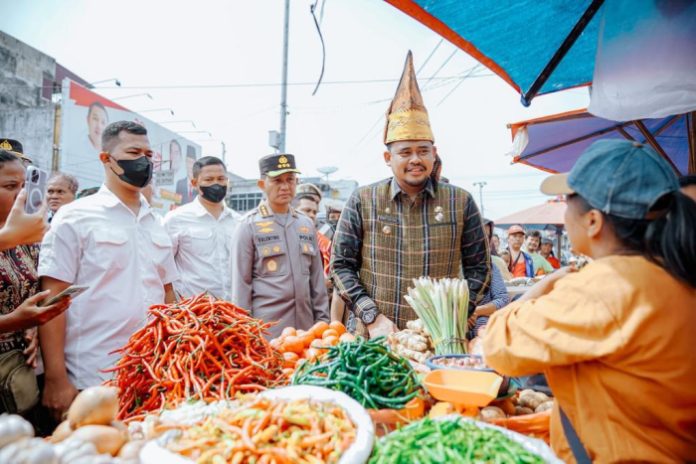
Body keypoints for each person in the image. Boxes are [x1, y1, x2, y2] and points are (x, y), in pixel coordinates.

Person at [483, 140, 696, 462]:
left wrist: (550, 283)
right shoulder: (673, 272)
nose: (564, 210)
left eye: (568, 201)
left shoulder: (608, 285)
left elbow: (500, 345)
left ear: (593, 221)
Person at [331, 52, 490, 338]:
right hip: (374, 337)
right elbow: (341, 266)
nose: (415, 159)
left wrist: (456, 314)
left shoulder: (460, 201)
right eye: (405, 152)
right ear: (387, 157)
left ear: (434, 153)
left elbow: (480, 268)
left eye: (423, 150)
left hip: (442, 338)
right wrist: (371, 316)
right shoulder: (363, 200)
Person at [38, 121, 178, 421]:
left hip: (152, 373)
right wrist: (55, 377)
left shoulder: (155, 222)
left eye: (148, 154)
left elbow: (168, 294)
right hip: (91, 376)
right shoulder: (75, 217)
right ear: (106, 159)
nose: (144, 161)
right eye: (133, 152)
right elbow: (52, 299)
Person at [0, 150, 71, 423]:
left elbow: (33, 292)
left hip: (24, 374)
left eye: (24, 186)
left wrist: (33, 327)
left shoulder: (32, 237)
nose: (22, 196)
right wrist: (11, 322)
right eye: (10, 187)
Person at [231, 154, 329, 338]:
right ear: (262, 184)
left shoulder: (306, 224)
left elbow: (317, 281)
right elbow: (240, 287)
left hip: (306, 330)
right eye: (277, 180)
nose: (285, 186)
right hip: (267, 331)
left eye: (290, 180)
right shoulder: (248, 226)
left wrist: (323, 324)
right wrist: (244, 335)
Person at [164, 156, 240, 301]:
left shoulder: (238, 222)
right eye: (209, 180)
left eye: (221, 179)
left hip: (234, 311)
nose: (216, 184)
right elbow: (163, 267)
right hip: (193, 313)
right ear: (194, 183)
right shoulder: (176, 219)